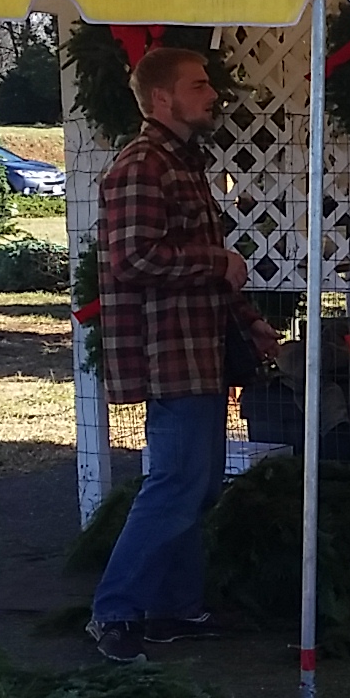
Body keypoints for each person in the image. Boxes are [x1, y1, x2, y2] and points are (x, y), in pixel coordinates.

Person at [89, 44, 282, 662]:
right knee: (175, 482)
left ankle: (174, 610)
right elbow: (134, 259)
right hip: (170, 352)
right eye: (199, 86)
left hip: (198, 348)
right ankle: (114, 614)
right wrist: (217, 262)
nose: (212, 95)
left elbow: (216, 274)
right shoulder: (141, 166)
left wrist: (250, 324)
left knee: (193, 488)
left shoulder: (183, 164)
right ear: (163, 99)